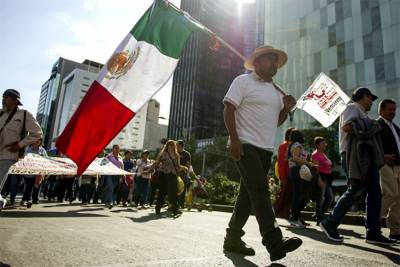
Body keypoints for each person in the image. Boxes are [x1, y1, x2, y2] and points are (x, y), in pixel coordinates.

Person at [222, 45, 302, 262]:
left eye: (276, 61)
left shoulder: (277, 91)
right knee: (260, 190)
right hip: (245, 145)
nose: (274, 64)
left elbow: (275, 122)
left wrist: (285, 109)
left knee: (247, 197)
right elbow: (228, 109)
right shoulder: (242, 81)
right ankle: (274, 242)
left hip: (265, 149)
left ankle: (232, 238)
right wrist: (235, 140)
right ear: (256, 63)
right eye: (269, 59)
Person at [320, 87, 396, 245]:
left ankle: (373, 232)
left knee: (375, 193)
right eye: (371, 99)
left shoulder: (361, 111)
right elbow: (347, 127)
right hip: (354, 156)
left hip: (366, 157)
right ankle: (330, 223)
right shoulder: (352, 107)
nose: (372, 103)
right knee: (355, 189)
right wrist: (372, 124)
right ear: (364, 96)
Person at [0, 89, 42, 211]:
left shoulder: (24, 114)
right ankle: (1, 201)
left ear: (14, 100)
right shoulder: (1, 113)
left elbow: (37, 133)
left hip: (9, 154)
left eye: (6, 97)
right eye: (3, 96)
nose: (3, 99)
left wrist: (19, 145)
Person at [377, 99, 400, 241]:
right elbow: (370, 145)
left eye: (394, 109)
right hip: (384, 164)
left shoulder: (396, 127)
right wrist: (382, 156)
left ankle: (395, 230)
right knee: (390, 194)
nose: (392, 112)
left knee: (399, 197)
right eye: (389, 109)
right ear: (381, 111)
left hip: (398, 165)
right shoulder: (376, 125)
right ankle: (373, 220)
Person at [287, 129, 317, 228]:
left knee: (300, 195)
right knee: (298, 195)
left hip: (296, 171)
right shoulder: (297, 145)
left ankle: (296, 217)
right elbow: (296, 158)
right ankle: (294, 219)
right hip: (297, 171)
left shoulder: (293, 145)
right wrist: (309, 163)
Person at [150, 140, 183, 217]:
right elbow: (156, 163)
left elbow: (177, 166)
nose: (170, 146)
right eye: (169, 145)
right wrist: (149, 170)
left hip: (172, 175)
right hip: (163, 174)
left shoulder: (177, 155)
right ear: (167, 146)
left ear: (174, 146)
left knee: (174, 193)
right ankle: (157, 208)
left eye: (172, 145)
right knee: (162, 192)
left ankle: (175, 210)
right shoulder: (163, 154)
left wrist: (183, 168)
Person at [311, 136, 333, 225]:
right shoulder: (315, 154)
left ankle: (319, 215)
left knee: (329, 198)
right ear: (318, 145)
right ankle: (319, 219)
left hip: (327, 178)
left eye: (325, 143)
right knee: (320, 199)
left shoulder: (323, 153)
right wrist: (319, 180)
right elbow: (315, 169)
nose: (325, 145)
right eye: (323, 143)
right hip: (321, 178)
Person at [274, 127, 294, 219]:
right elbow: (281, 163)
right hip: (286, 175)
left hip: (292, 175)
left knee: (289, 197)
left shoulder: (293, 145)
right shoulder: (284, 145)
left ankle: (286, 214)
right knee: (283, 197)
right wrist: (283, 178)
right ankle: (273, 214)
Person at [21, 138, 47, 208]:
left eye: (38, 140)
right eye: (36, 140)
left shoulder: (43, 150)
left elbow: (46, 160)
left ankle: (31, 199)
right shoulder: (28, 149)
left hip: (38, 173)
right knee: (28, 186)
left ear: (41, 141)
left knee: (35, 186)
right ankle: (26, 199)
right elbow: (24, 158)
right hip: (28, 172)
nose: (37, 141)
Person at [104, 144, 123, 209]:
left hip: (117, 175)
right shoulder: (109, 156)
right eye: (115, 148)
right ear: (113, 149)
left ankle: (107, 201)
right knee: (111, 188)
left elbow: (122, 167)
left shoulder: (120, 157)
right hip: (110, 174)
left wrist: (122, 174)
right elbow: (102, 163)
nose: (117, 149)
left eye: (118, 148)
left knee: (111, 189)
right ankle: (110, 202)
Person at [176, 140, 191, 208]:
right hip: (175, 173)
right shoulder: (175, 153)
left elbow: (188, 165)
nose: (176, 146)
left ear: (181, 145)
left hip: (183, 174)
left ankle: (180, 204)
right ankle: (173, 204)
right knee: (174, 188)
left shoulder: (186, 154)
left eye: (177, 144)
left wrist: (186, 173)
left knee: (182, 189)